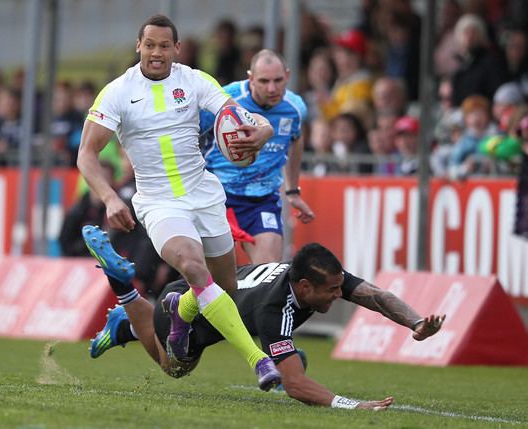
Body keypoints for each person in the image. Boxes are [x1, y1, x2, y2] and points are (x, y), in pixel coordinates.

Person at [76, 14, 280, 391]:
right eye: (150, 45)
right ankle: (259, 360)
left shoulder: (194, 80)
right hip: (159, 202)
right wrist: (108, 198)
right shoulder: (118, 91)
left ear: (177, 49)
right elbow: (86, 154)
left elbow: (236, 115)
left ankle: (172, 311)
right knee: (194, 268)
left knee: (224, 289)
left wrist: (263, 131)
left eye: (164, 46)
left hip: (204, 195)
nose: (157, 53)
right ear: (138, 46)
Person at [86, 228, 445, 410]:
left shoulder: (314, 276)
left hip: (194, 287)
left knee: (285, 355)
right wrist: (352, 404)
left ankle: (127, 326)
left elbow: (377, 297)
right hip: (187, 315)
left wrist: (415, 323)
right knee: (174, 367)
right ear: (304, 287)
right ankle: (124, 289)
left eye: (340, 287)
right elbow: (294, 386)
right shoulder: (275, 311)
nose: (340, 295)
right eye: (333, 291)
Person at [200, 49, 315, 264]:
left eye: (278, 80)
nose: (272, 88)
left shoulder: (296, 108)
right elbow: (190, 133)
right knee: (219, 280)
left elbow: (296, 139)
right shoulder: (223, 99)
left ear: (288, 76)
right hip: (216, 197)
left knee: (269, 273)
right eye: (263, 81)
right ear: (250, 78)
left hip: (262, 199)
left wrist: (292, 190)